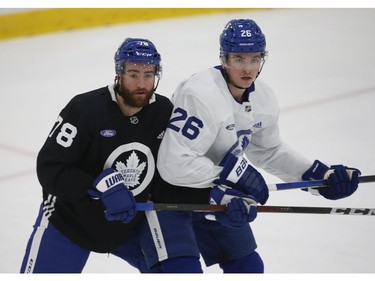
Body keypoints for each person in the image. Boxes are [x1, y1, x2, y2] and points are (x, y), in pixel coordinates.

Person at [138, 19, 361, 273]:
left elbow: (269, 150)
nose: (247, 69)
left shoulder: (263, 98)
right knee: (182, 272)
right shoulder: (201, 93)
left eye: (254, 59)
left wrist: (318, 176)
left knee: (248, 267)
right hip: (169, 197)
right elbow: (173, 164)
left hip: (219, 196)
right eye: (239, 59)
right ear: (223, 58)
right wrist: (233, 176)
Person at [20, 37, 173, 273]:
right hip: (70, 223)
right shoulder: (85, 109)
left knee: (175, 268)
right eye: (133, 74)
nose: (142, 83)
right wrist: (94, 186)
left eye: (148, 74)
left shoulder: (164, 112)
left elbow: (174, 168)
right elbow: (51, 167)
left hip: (129, 223)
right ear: (119, 74)